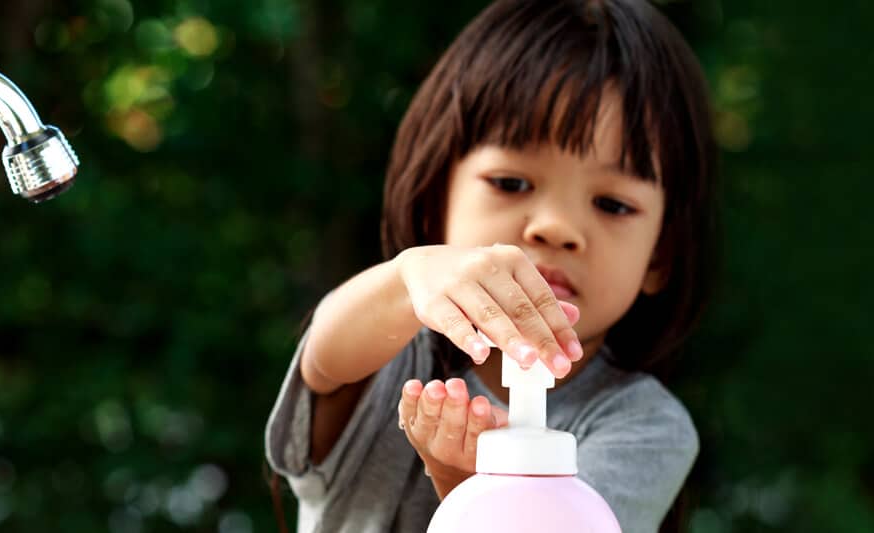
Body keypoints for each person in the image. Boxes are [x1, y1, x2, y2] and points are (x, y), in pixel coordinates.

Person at [266, 1, 718, 531]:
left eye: (613, 204)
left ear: (660, 257)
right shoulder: (386, 359)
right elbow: (326, 359)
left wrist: (465, 487)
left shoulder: (644, 427)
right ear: (436, 199)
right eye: (511, 183)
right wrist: (410, 277)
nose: (555, 227)